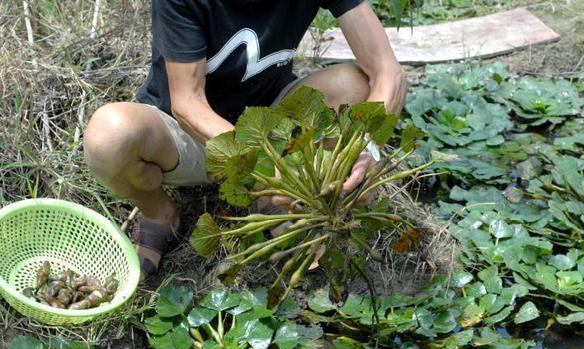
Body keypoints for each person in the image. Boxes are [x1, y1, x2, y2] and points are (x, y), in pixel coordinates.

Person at [83, 0, 406, 280]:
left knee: (354, 85)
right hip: (189, 136)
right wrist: (266, 163)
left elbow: (387, 71)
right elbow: (188, 104)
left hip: (270, 123)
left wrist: (367, 145)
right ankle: (160, 214)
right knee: (111, 135)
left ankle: (268, 198)